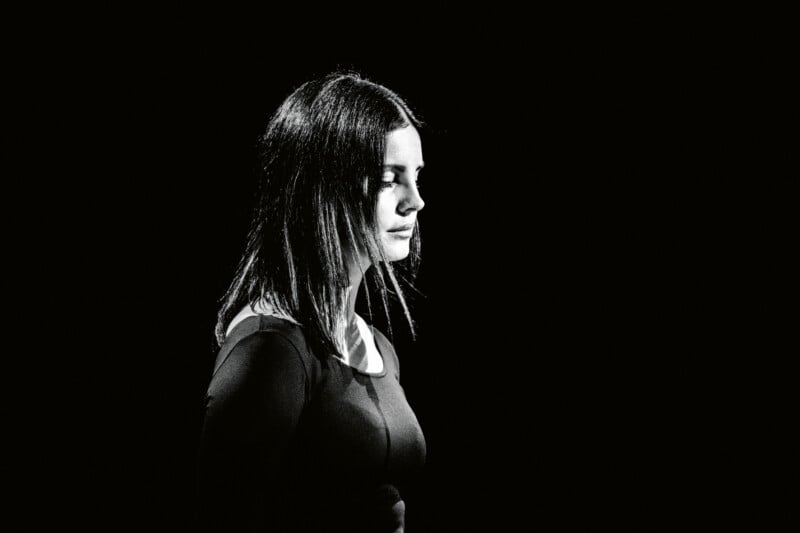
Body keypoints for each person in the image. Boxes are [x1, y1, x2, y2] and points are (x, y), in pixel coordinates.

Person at [196, 71, 428, 532]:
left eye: (417, 176)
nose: (415, 201)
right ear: (323, 188)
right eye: (389, 179)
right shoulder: (271, 353)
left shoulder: (378, 346)